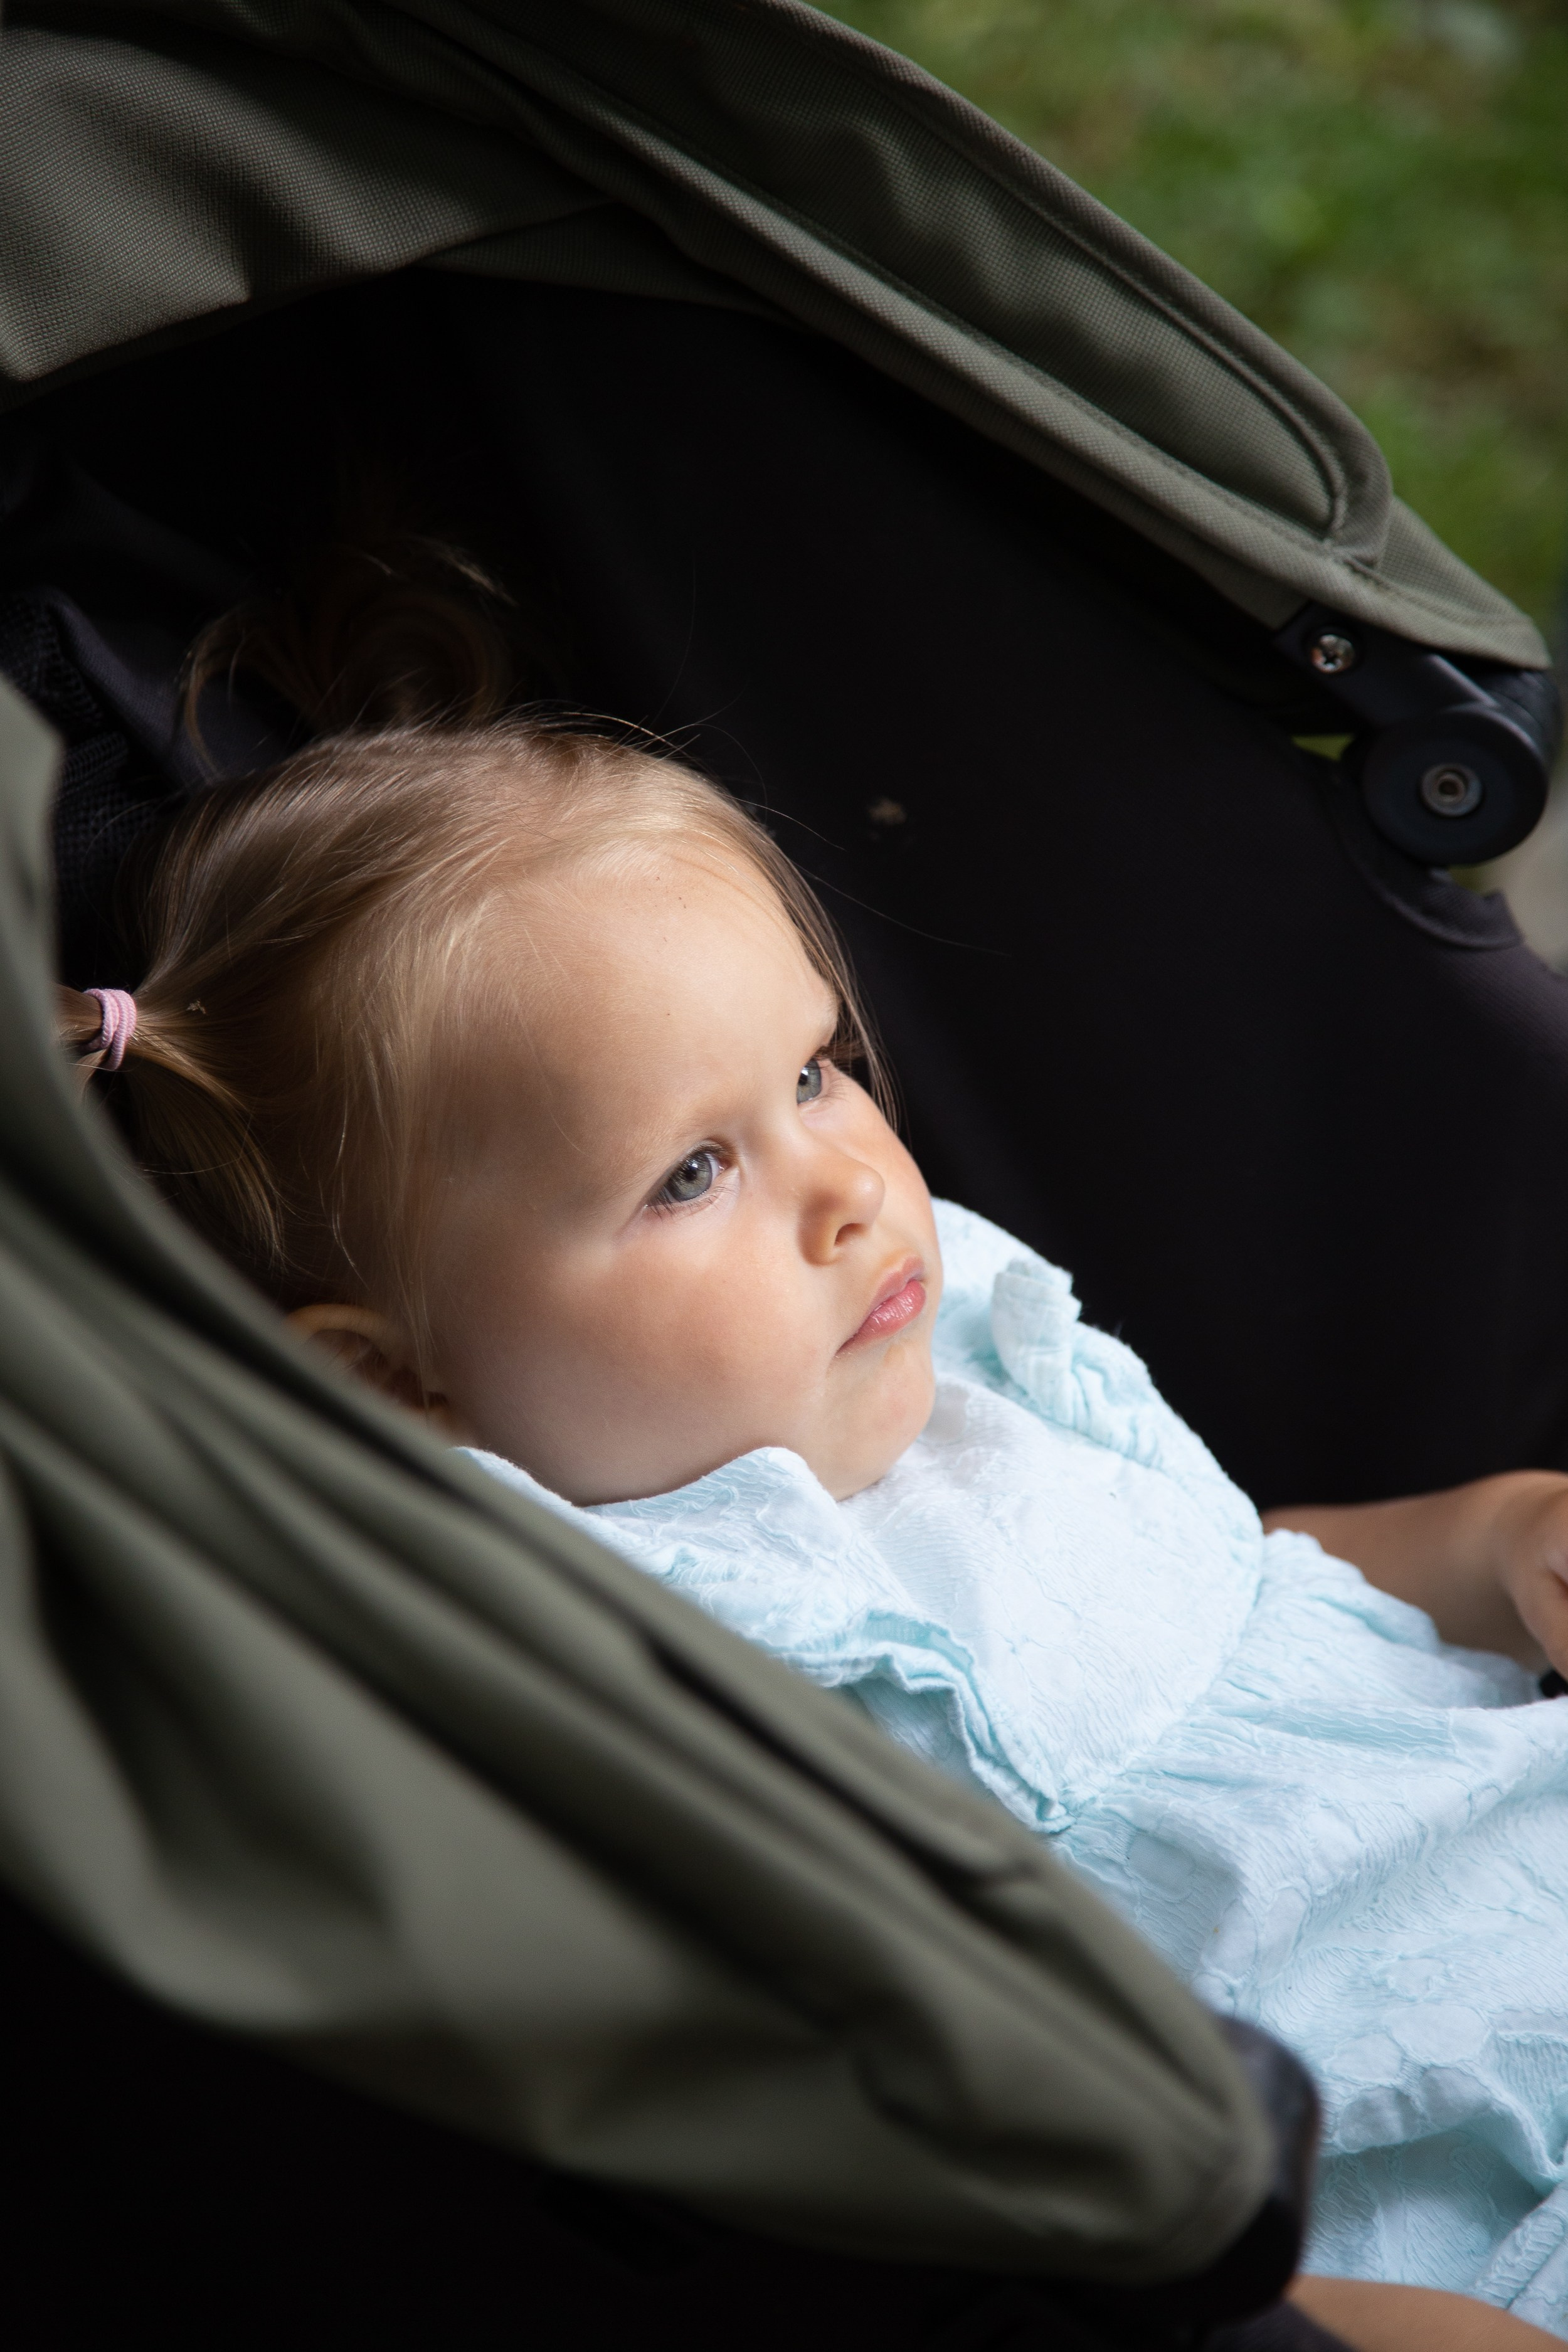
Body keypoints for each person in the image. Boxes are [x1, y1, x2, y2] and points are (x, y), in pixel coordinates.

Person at [55, 556, 1568, 2343]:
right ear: (399, 1389)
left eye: (816, 1071)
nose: (848, 1188)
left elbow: (1239, 1580)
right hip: (1393, 2163)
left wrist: (1485, 1544)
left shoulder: (950, 1330)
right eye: (691, 1173)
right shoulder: (606, 1620)